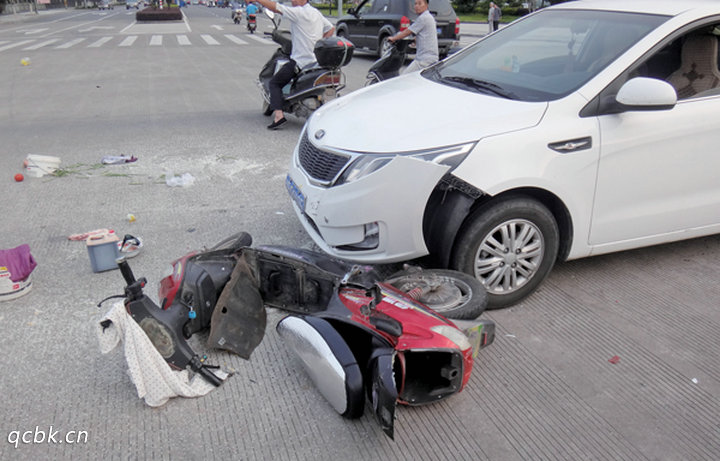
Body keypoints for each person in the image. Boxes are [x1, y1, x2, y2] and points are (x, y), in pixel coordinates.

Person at [254, 0, 335, 130]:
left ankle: (279, 116)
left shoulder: (299, 12)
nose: (292, 1)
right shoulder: (316, 13)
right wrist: (319, 44)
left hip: (301, 62)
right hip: (316, 62)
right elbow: (331, 28)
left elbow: (275, 8)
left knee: (274, 83)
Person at [388, 0, 439, 74]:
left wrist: (394, 38)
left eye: (420, 3)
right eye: (415, 4)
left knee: (404, 78)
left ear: (426, 5)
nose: (417, 6)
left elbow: (408, 31)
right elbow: (425, 33)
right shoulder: (429, 17)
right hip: (430, 58)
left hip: (424, 59)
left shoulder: (423, 18)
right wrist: (416, 40)